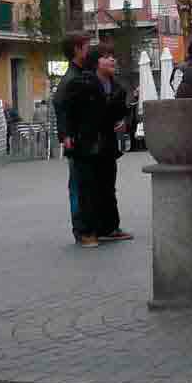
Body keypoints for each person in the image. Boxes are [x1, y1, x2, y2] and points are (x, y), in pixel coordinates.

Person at [61, 45, 133, 247]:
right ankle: (87, 232)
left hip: (107, 145)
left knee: (108, 189)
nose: (112, 60)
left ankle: (109, 228)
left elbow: (118, 113)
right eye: (106, 57)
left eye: (113, 57)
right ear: (96, 62)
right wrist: (66, 134)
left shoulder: (116, 86)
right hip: (85, 144)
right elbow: (67, 110)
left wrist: (124, 117)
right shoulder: (81, 83)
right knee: (87, 189)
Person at [54, 30, 93, 241]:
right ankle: (80, 230)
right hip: (76, 139)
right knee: (78, 185)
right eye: (86, 46)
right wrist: (66, 134)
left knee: (82, 184)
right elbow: (60, 104)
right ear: (77, 49)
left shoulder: (79, 73)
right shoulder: (71, 78)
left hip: (81, 136)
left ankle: (86, 227)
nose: (90, 49)